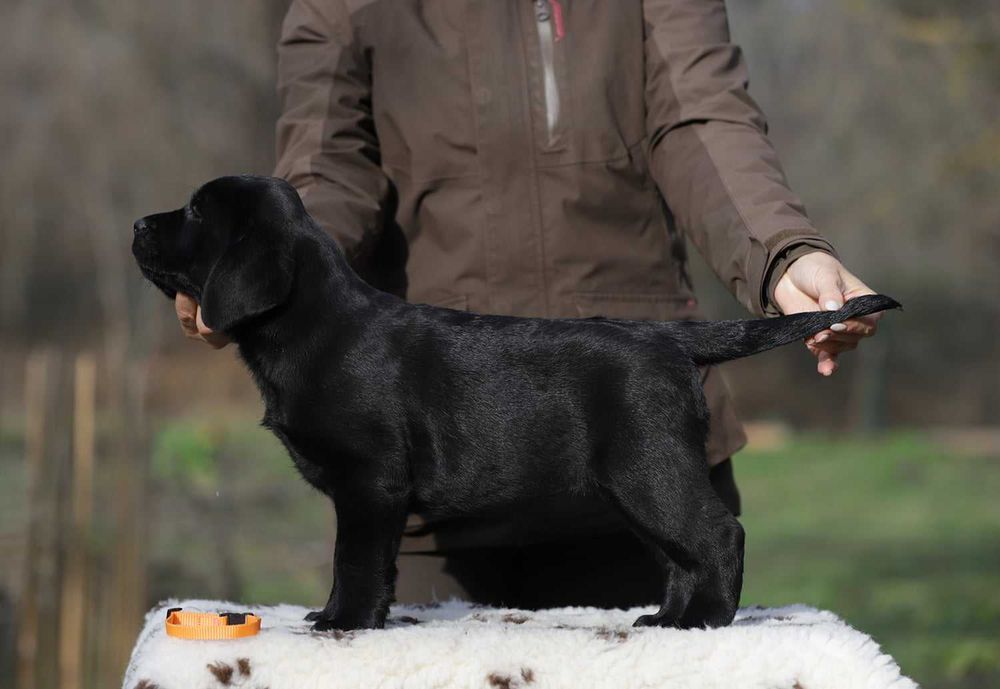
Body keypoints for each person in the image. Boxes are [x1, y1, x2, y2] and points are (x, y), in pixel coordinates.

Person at [175, 0, 881, 608]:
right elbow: (326, 164)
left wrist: (783, 252)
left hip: (637, 442)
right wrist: (269, 276)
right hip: (431, 480)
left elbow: (700, 120)